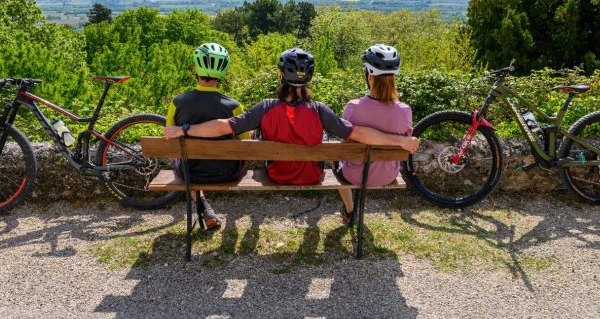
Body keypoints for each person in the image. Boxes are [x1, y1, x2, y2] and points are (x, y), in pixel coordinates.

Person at [164, 46, 419, 189]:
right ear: (310, 77)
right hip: (311, 176)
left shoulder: (265, 107)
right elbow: (360, 133)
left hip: (277, 174)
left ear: (280, 76)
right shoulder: (320, 110)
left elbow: (222, 127)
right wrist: (401, 142)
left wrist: (184, 129)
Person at [166, 42, 249, 230]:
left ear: (196, 68)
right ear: (223, 71)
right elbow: (246, 141)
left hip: (190, 173)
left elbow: (169, 135)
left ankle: (204, 206)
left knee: (182, 159)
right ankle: (206, 208)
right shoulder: (234, 106)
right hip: (228, 172)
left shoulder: (177, 102)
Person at [337, 44, 412, 225]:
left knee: (338, 160)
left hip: (353, 175)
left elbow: (345, 142)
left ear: (369, 76)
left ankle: (349, 210)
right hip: (387, 175)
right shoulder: (405, 111)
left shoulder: (353, 107)